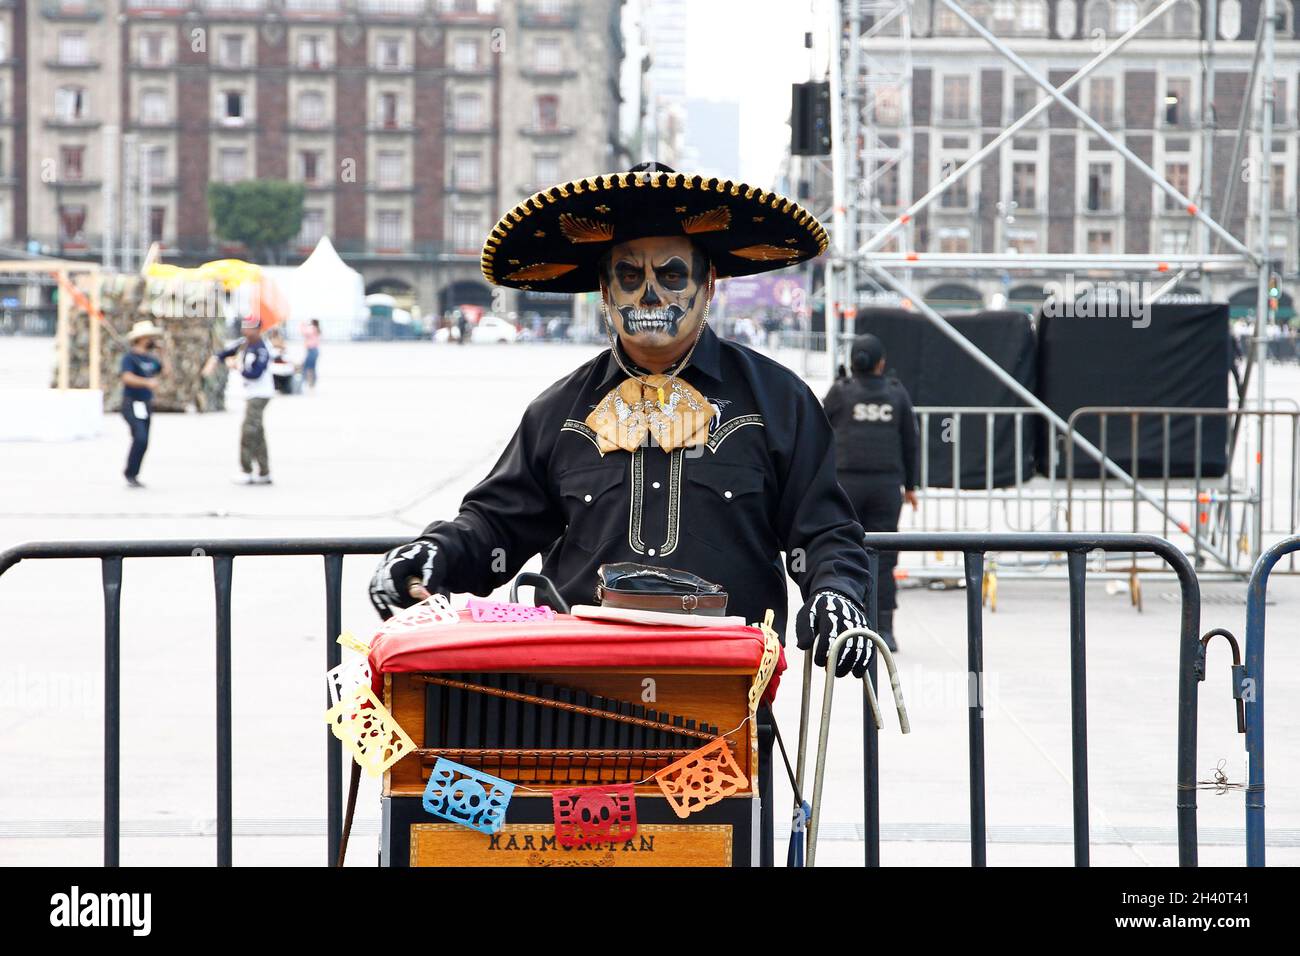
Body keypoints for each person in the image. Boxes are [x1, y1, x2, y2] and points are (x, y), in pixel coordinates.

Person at [822, 333, 920, 652]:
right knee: (884, 556)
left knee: (843, 553)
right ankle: (885, 629)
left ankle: (846, 625)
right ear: (881, 363)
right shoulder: (896, 394)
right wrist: (912, 486)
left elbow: (819, 433)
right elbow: (910, 441)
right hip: (886, 487)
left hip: (844, 486)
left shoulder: (840, 392)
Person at [210, 317, 275, 485]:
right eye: (244, 327)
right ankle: (264, 471)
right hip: (250, 393)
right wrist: (216, 359)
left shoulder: (262, 349)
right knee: (257, 432)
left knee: (248, 431)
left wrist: (237, 367)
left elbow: (256, 373)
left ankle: (246, 470)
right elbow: (226, 352)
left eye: (250, 328)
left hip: (259, 394)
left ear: (258, 330)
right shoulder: (244, 343)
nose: (246, 331)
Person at [119, 320, 166, 488]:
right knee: (140, 437)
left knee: (144, 440)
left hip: (145, 404)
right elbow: (127, 377)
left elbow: (166, 372)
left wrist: (163, 353)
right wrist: (146, 383)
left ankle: (134, 473)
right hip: (131, 402)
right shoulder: (130, 358)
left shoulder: (150, 359)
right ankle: (129, 473)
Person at [301, 318, 321, 388]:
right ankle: (312, 383)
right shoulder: (317, 329)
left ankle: (303, 381)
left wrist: (303, 325)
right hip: (315, 350)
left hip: (312, 350)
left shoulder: (313, 328)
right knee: (312, 367)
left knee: (306, 367)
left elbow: (305, 333)